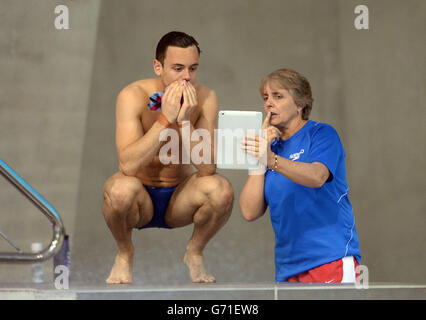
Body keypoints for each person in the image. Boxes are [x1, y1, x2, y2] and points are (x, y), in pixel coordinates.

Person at [102, 31, 234, 284]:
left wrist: (185, 121)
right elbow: (127, 166)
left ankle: (194, 251)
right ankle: (124, 251)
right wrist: (165, 119)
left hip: (180, 199)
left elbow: (207, 168)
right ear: (157, 66)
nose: (186, 77)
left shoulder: (205, 97)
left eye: (193, 69)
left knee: (221, 190)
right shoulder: (132, 95)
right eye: (177, 68)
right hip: (140, 201)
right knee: (119, 190)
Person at [239, 68, 361, 283]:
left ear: (300, 104)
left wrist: (271, 160)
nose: (269, 103)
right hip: (288, 268)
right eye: (265, 97)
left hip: (330, 259)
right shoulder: (270, 149)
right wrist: (260, 160)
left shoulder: (322, 134)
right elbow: (249, 211)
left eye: (278, 96)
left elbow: (316, 176)